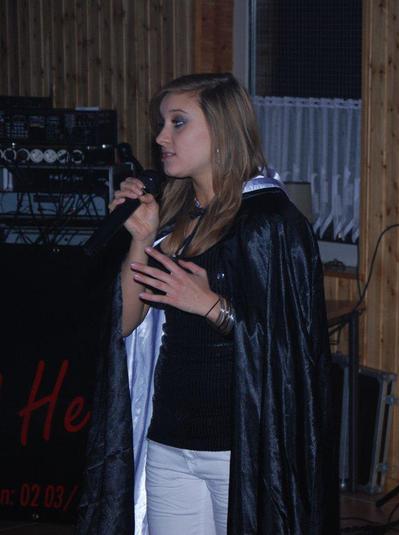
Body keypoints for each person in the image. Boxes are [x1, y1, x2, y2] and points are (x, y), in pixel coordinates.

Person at [77, 73, 338, 534]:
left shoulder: (271, 224)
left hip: (240, 450)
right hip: (168, 441)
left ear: (222, 130)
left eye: (178, 123)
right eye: (162, 124)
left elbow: (294, 354)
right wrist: (140, 239)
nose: (161, 137)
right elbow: (124, 325)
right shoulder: (173, 220)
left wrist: (211, 306)